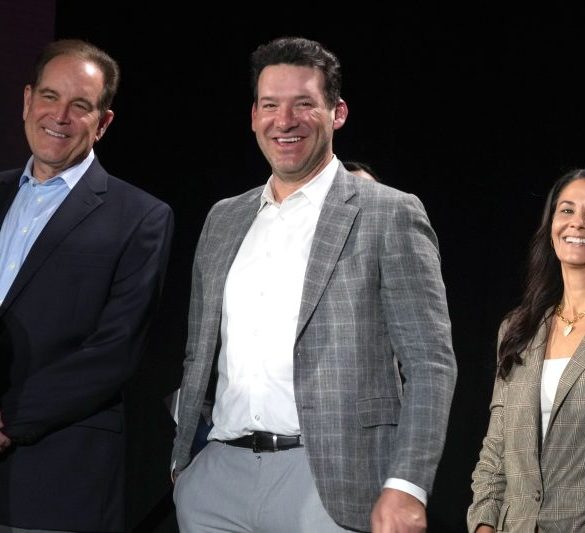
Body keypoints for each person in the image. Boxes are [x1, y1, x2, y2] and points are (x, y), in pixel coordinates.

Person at [171, 36, 457, 533]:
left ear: (336, 113)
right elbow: (199, 352)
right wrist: (184, 465)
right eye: (270, 105)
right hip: (217, 483)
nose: (284, 121)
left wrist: (407, 483)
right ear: (254, 115)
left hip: (331, 482)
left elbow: (430, 362)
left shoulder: (388, 213)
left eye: (304, 103)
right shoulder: (224, 218)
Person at [0, 39, 174, 532]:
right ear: (27, 100)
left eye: (80, 105)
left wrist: (9, 422)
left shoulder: (140, 216)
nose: (60, 116)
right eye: (50, 97)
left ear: (103, 122)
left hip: (57, 479)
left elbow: (113, 350)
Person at [467, 169, 585, 532]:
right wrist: (484, 524)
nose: (577, 223)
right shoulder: (519, 330)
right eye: (567, 210)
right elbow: (496, 450)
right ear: (551, 225)